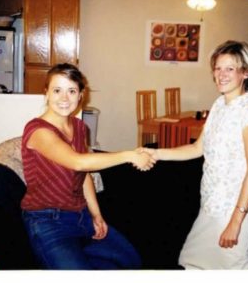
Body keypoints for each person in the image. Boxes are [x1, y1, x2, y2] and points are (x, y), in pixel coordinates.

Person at [142, 40, 248, 269]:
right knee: (194, 263)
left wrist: (235, 222)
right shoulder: (219, 104)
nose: (221, 74)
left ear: (246, 73)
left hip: (232, 210)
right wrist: (155, 152)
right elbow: (196, 148)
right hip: (209, 205)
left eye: (230, 68)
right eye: (218, 68)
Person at [20, 63, 155, 270]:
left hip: (80, 216)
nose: (64, 98)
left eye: (71, 91)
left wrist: (96, 214)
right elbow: (78, 161)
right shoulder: (37, 130)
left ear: (81, 95)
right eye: (57, 90)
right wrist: (129, 155)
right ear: (46, 93)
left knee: (130, 260)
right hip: (48, 221)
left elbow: (83, 173)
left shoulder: (79, 127)